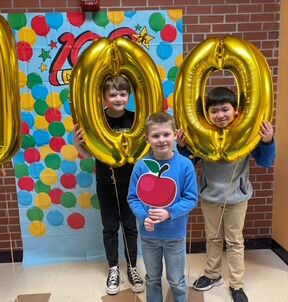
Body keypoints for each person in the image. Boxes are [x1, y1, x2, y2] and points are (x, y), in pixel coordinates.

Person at [176, 87, 276, 302]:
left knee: (234, 241)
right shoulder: (203, 136)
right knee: (212, 238)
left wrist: (267, 141)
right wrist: (182, 146)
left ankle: (237, 285)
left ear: (236, 111)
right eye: (214, 111)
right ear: (207, 114)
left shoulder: (246, 134)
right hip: (210, 197)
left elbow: (266, 162)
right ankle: (212, 275)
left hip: (237, 199)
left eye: (225, 109)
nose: (220, 115)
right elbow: (188, 163)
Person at [74, 75, 144, 295]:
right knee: (111, 226)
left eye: (122, 94)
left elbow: (144, 149)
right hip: (105, 181)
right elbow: (89, 154)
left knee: (130, 225)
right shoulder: (97, 120)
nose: (118, 98)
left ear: (129, 96)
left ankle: (132, 267)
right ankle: (113, 268)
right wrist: (78, 145)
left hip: (131, 182)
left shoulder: (136, 119)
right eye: (113, 94)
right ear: (104, 97)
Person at [128, 112, 198, 302]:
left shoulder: (185, 165)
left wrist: (169, 213)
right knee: (152, 279)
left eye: (166, 134)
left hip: (175, 235)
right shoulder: (141, 166)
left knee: (176, 280)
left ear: (175, 134)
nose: (161, 140)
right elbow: (133, 198)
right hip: (149, 236)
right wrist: (144, 217)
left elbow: (191, 198)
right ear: (147, 139)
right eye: (155, 136)